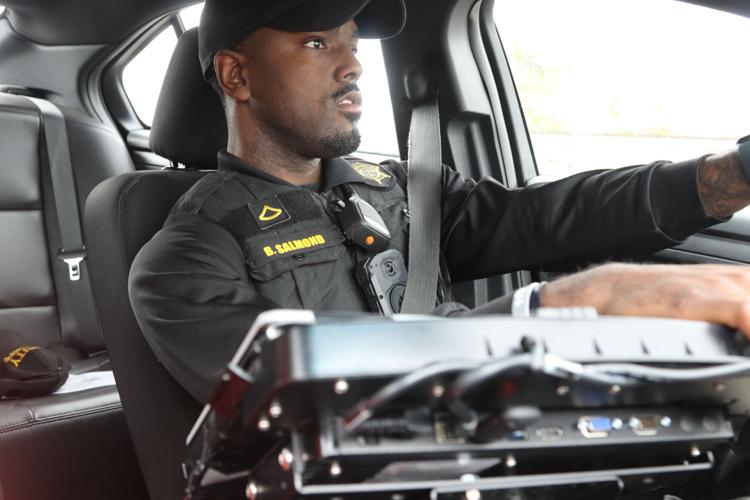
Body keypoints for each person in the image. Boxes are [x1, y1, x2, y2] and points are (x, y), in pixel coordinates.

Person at [129, 0, 750, 404]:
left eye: (352, 44)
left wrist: (727, 178)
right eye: (317, 44)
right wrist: (559, 306)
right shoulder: (182, 260)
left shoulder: (404, 189)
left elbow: (548, 215)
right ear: (236, 76)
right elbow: (300, 387)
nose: (353, 67)